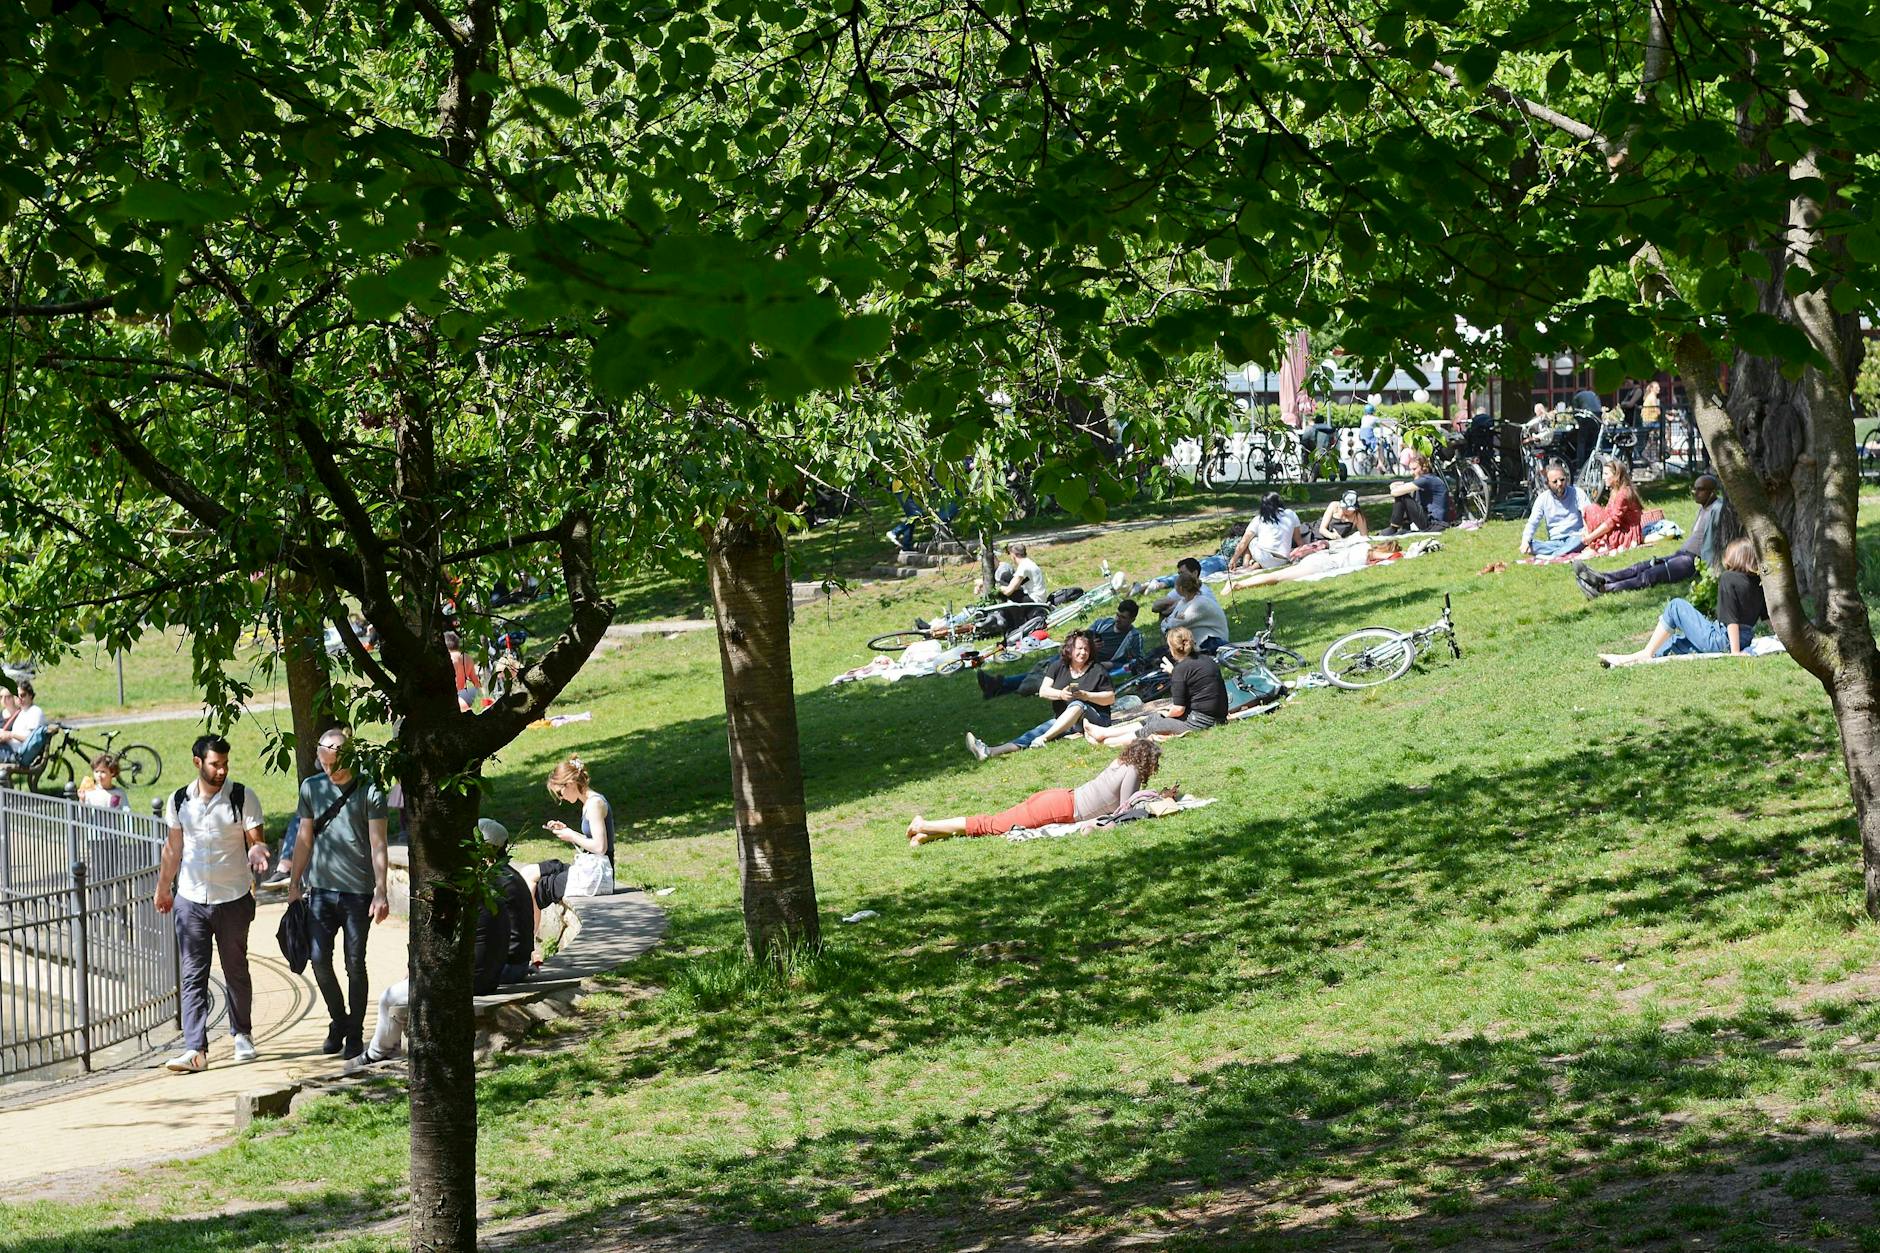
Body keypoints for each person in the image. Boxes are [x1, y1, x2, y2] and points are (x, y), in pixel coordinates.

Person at [348, 818, 515, 1072]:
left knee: (388, 997)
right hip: (490, 976)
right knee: (399, 992)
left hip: (470, 980)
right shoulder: (493, 883)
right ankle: (384, 1047)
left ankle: (377, 1053)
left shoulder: (466, 888)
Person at [155, 734, 270, 1072]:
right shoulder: (180, 800)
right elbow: (173, 849)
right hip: (191, 898)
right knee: (193, 975)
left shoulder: (241, 796)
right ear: (198, 763)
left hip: (232, 898)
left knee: (235, 970)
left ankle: (242, 1035)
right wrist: (164, 888)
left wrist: (257, 850)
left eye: (225, 764)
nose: (221, 770)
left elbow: (255, 839)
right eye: (214, 764)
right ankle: (195, 1050)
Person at [286, 727, 390, 1060]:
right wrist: (293, 883)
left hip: (358, 893)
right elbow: (304, 838)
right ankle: (339, 1021)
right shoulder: (311, 788)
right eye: (326, 764)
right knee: (318, 960)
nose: (331, 771)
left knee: (355, 964)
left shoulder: (370, 789)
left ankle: (355, 1033)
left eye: (337, 765)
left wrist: (381, 890)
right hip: (321, 891)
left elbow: (379, 843)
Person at [906, 738, 1164, 844]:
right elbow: (1124, 809)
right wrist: (1155, 800)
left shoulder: (1119, 763)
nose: (1155, 768)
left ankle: (927, 833)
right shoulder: (1132, 772)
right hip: (1061, 809)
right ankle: (923, 823)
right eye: (1154, 763)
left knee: (995, 823)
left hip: (1060, 797)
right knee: (992, 825)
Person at [1599, 538, 1766, 666]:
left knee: (1675, 606)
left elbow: (1731, 619)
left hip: (1723, 640)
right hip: (1745, 639)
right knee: (1674, 642)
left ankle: (1646, 653)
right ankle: (1632, 660)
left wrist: (1735, 652)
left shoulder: (1729, 578)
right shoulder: (1759, 584)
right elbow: (1768, 617)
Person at [966, 629, 1115, 759]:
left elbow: (1110, 698)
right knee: (1031, 734)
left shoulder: (1097, 670)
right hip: (1065, 720)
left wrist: (1086, 696)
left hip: (1095, 720)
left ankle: (1043, 739)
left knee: (1078, 705)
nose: (1083, 653)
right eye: (1079, 648)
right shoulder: (1058, 667)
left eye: (1086, 650)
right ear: (1070, 649)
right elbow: (1044, 691)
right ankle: (989, 751)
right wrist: (1061, 695)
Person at [1576, 475, 1722, 598]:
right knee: (1640, 566)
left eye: (1700, 489)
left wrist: (1710, 571)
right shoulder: (1703, 508)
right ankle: (1602, 578)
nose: (1695, 492)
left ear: (1712, 491)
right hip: (1683, 554)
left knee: (1650, 575)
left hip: (1693, 562)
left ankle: (1604, 589)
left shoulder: (1718, 509)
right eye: (1694, 488)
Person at [1085, 627, 1227, 743]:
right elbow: (1194, 683)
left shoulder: (1181, 669)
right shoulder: (1206, 659)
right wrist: (1174, 673)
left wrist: (1167, 714)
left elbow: (1178, 709)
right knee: (1154, 717)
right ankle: (1105, 732)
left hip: (1200, 721)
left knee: (1154, 725)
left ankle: (1106, 742)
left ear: (1172, 649)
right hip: (1217, 716)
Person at [542, 755, 616, 898]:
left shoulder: (595, 804)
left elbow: (601, 848)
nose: (561, 798)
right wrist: (567, 833)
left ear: (570, 783)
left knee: (542, 886)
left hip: (597, 875)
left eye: (559, 793)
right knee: (535, 875)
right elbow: (594, 841)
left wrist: (572, 835)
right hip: (592, 870)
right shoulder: (588, 803)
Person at [1519, 461, 1594, 557]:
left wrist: (1586, 532)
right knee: (1530, 546)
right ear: (1547, 483)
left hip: (1576, 536)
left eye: (1562, 480)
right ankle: (1562, 552)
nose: (1559, 484)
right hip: (1555, 541)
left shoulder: (1578, 493)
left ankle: (1554, 555)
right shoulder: (1542, 498)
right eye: (1555, 482)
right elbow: (1532, 522)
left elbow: (1588, 514)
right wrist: (1525, 541)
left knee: (1580, 540)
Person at [1576, 458, 1644, 555]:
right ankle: (1592, 542)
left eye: (1606, 474)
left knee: (1592, 509)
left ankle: (1594, 543)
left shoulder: (1624, 493)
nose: (1603, 477)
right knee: (1589, 509)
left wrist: (1591, 536)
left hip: (1626, 532)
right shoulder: (1615, 491)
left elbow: (1612, 521)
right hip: (1618, 527)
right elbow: (1608, 513)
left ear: (1616, 475)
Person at [1230, 493, 1303, 570]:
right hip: (1283, 560)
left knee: (1251, 539)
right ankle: (1256, 564)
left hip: (1263, 557)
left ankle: (1246, 564)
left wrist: (1233, 559)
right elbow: (1298, 539)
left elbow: (1243, 542)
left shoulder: (1259, 519)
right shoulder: (1291, 514)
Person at [0, 679, 47, 768]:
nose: (20, 698)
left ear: (30, 695)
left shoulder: (35, 712)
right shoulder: (22, 712)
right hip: (10, 750)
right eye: (17, 696)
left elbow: (31, 740)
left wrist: (11, 735)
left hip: (18, 755)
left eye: (23, 695)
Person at [1398, 449, 1448, 524]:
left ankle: (1394, 527)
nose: (1412, 472)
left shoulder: (1426, 480)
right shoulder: (1428, 479)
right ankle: (1403, 524)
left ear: (1424, 468)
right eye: (1410, 469)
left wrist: (1394, 487)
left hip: (1434, 522)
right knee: (1403, 494)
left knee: (1402, 496)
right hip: (1430, 519)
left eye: (1414, 469)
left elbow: (1395, 492)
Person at [444, 630, 479, 711]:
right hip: (464, 695)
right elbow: (476, 682)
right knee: (472, 691)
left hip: (451, 696)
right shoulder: (467, 657)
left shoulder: (448, 658)